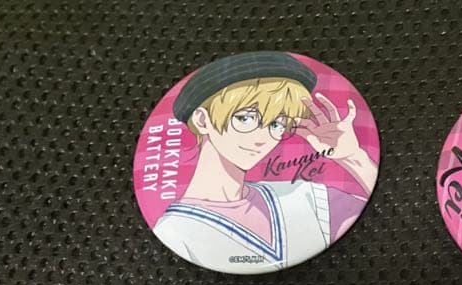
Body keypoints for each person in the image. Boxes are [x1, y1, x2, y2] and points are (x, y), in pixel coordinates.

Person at [152, 52, 378, 272]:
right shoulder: (176, 231)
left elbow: (372, 207)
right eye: (246, 118)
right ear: (203, 120)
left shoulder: (301, 196)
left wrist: (351, 156)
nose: (263, 138)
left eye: (277, 124)